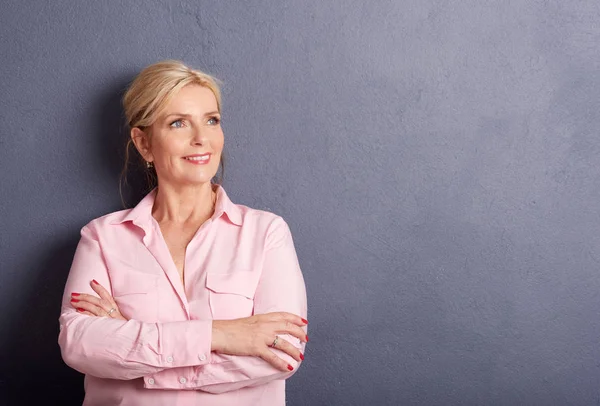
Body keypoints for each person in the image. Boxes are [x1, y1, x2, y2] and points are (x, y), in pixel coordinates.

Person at [58, 60, 308, 406]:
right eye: (178, 123)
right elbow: (79, 344)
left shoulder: (266, 233)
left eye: (212, 120)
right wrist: (221, 334)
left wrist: (136, 354)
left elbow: (283, 352)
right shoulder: (102, 238)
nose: (201, 139)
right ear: (144, 144)